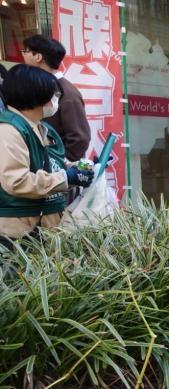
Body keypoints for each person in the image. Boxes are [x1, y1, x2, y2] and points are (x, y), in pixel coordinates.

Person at [0, 65, 94, 248]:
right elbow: (17, 181)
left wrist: (77, 170)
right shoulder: (8, 130)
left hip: (45, 228)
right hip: (18, 234)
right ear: (36, 96)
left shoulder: (42, 127)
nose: (56, 99)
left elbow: (53, 165)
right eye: (53, 94)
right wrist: (66, 177)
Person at [22, 35, 90, 163]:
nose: (23, 55)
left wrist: (60, 164)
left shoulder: (67, 93)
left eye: (25, 51)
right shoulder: (41, 87)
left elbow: (80, 139)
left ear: (38, 57)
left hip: (58, 169)